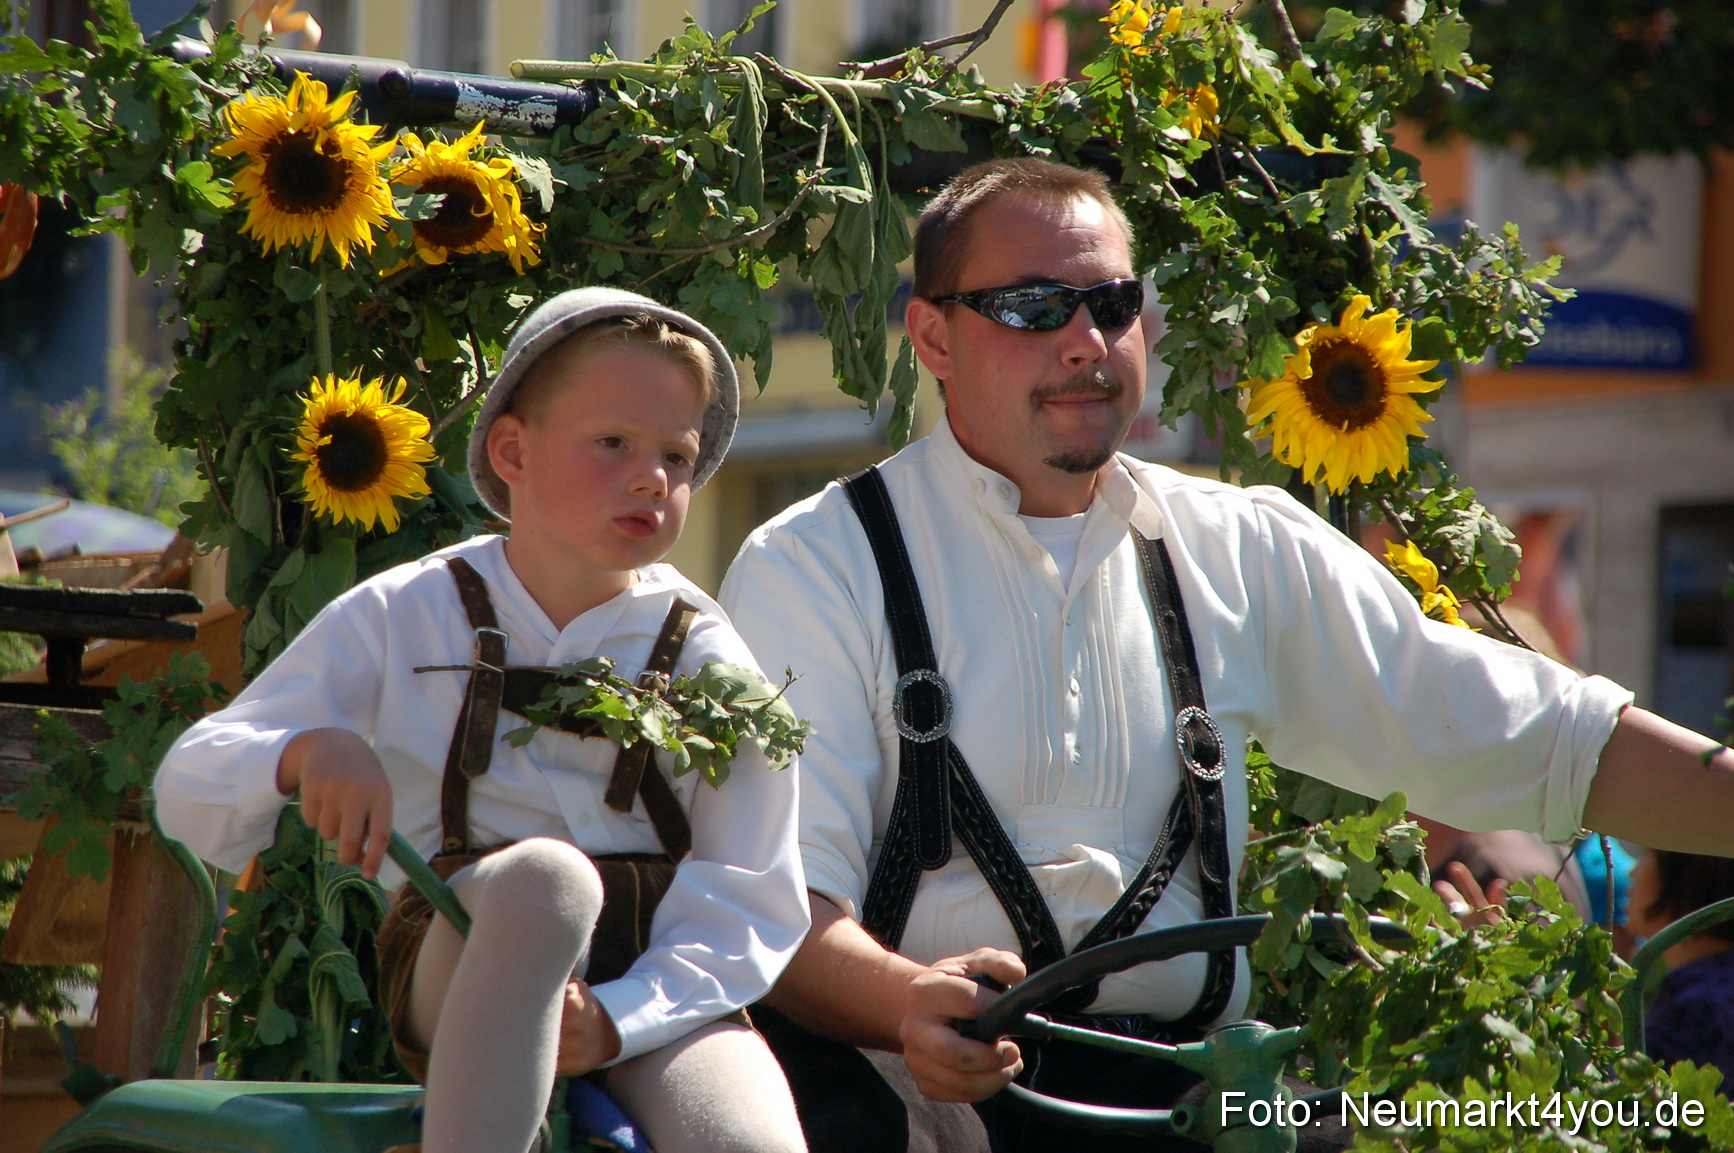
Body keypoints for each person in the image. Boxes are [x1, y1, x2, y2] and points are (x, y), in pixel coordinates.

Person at [717, 157, 1734, 1153]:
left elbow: (1531, 732)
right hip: (917, 1089)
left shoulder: (1235, 544)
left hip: (1198, 1088)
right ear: (932, 334)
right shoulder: (818, 563)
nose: (1087, 339)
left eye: (1113, 303)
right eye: (1033, 305)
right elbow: (784, 914)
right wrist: (909, 1004)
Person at [156, 287, 810, 1153]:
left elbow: (750, 885)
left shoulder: (705, 648)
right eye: (613, 442)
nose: (653, 476)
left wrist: (618, 1016)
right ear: (512, 450)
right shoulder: (408, 611)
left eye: (678, 456)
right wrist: (304, 750)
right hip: (460, 958)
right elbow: (188, 779)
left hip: (655, 990)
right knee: (548, 880)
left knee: (748, 1138)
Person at [1627, 848, 1734, 1081]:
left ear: (1687, 876)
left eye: (1649, 857)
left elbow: (1624, 1112)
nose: (1633, 872)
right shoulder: (1715, 987)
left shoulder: (1695, 1010)